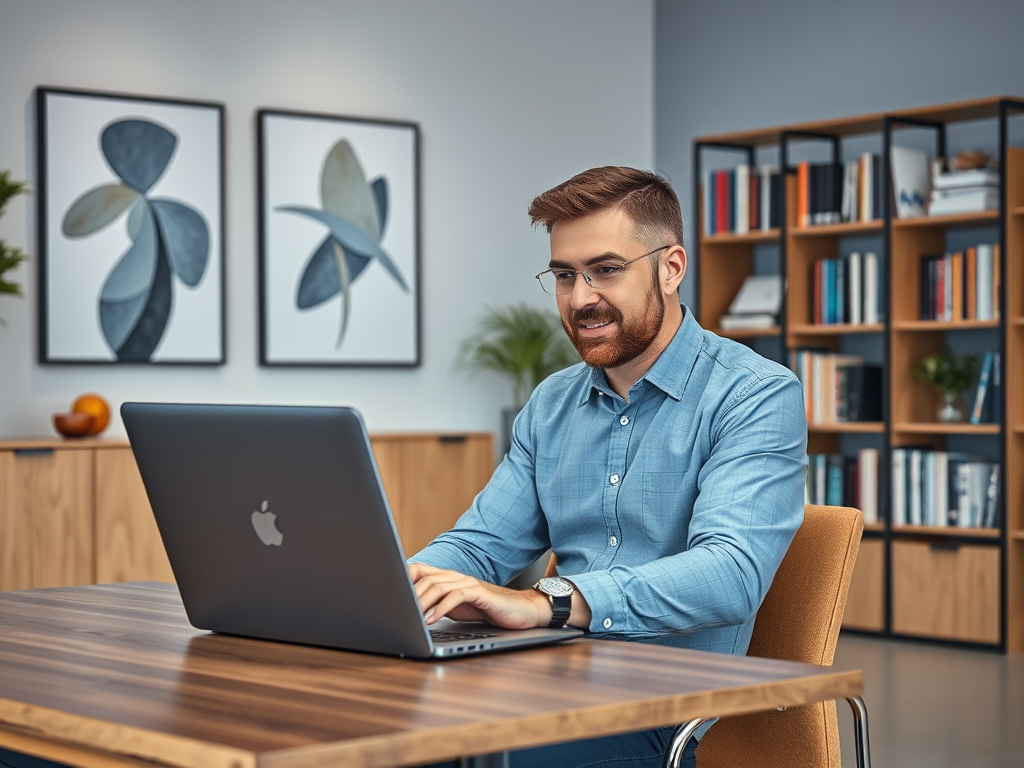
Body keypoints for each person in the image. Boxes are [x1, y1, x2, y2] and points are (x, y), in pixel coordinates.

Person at [409, 166, 807, 768]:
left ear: (671, 268)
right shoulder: (552, 402)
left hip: (658, 705)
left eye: (607, 270)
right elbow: (482, 544)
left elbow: (731, 573)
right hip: (543, 676)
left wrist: (553, 601)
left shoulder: (754, 394)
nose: (581, 297)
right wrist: (398, 589)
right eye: (565, 275)